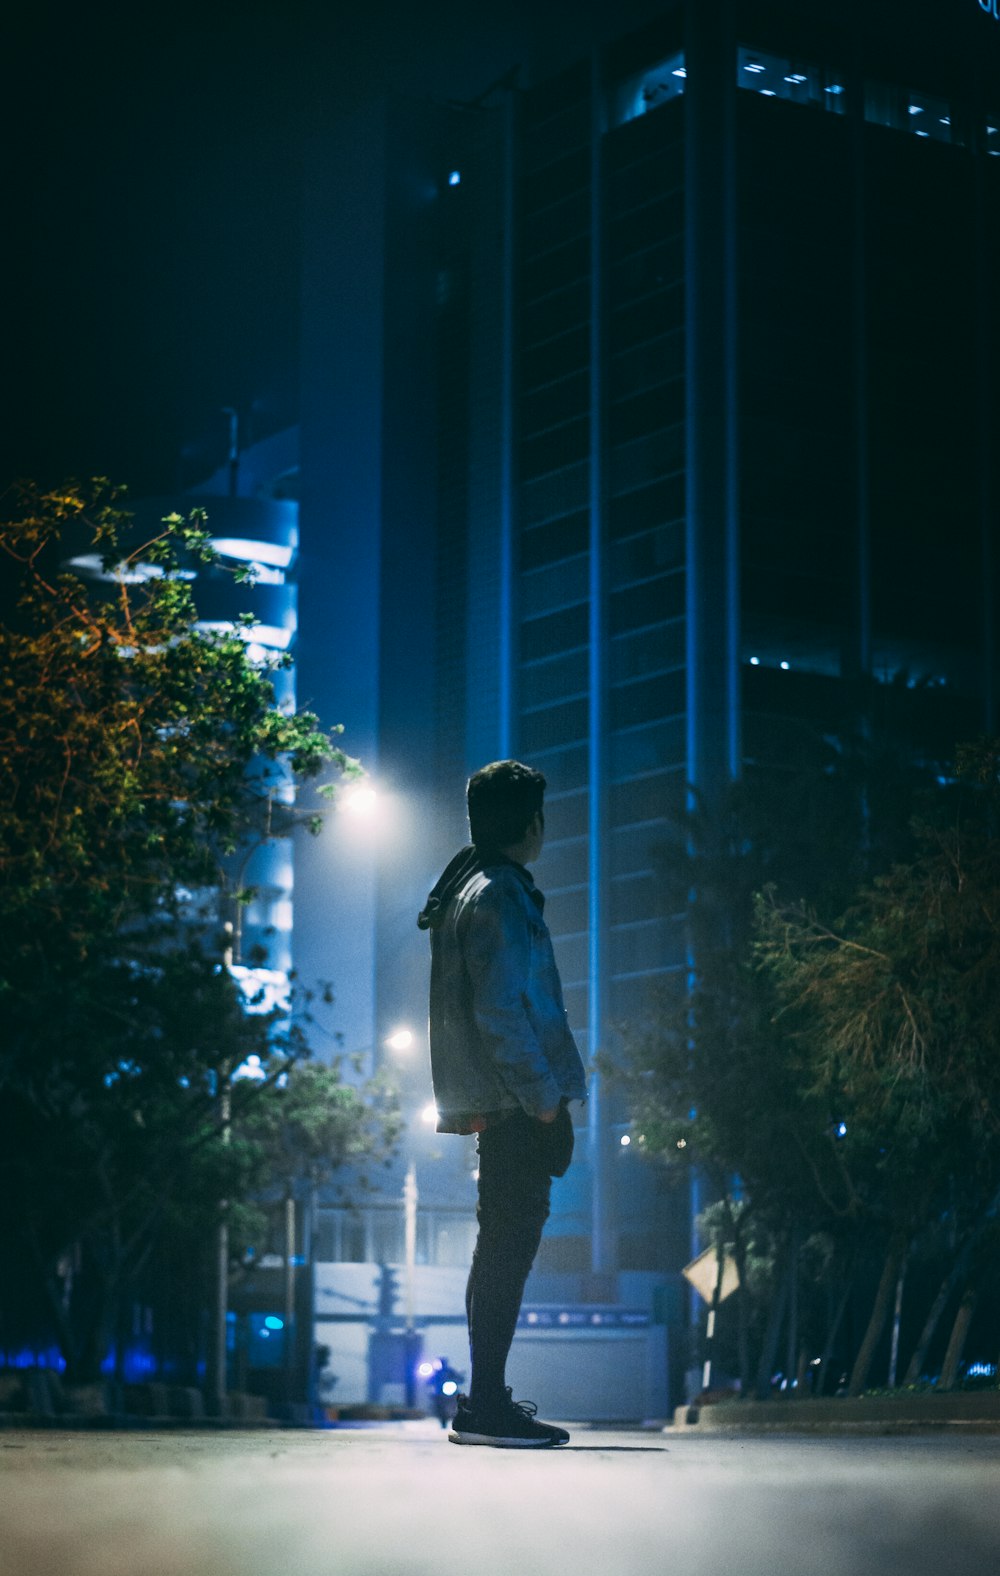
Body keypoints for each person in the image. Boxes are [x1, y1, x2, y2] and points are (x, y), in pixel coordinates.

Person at [418, 760, 587, 1448]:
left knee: (499, 1246)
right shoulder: (499, 893)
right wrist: (547, 1106)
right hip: (518, 1103)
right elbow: (504, 1013)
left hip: (502, 1100)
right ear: (532, 824)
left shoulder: (470, 886)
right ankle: (486, 1402)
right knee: (507, 1249)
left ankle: (484, 1399)